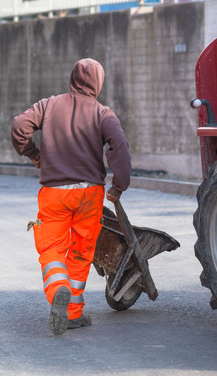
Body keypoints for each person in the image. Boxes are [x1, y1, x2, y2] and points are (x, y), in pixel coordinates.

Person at [11, 58, 131, 336]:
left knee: (51, 248)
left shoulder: (48, 105)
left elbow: (19, 125)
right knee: (80, 251)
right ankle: (73, 314)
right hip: (90, 193)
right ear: (98, 84)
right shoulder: (103, 113)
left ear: (72, 79)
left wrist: (34, 154)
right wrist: (119, 185)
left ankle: (58, 292)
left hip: (54, 192)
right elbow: (120, 146)